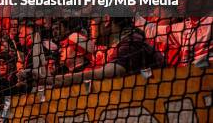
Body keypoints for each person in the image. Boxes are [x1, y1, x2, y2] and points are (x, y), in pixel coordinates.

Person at [36, 17, 164, 87]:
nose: (91, 26)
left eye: (93, 20)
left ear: (107, 19)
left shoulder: (131, 44)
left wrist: (49, 80)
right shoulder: (127, 41)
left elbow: (104, 73)